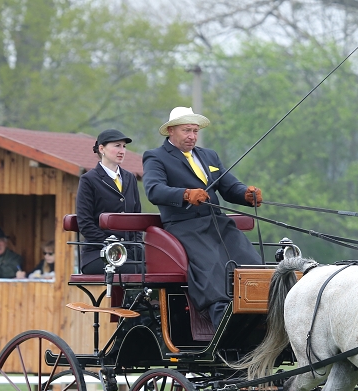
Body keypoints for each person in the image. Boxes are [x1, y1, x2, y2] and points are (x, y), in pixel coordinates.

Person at [142, 106, 263, 328]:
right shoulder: (156, 157)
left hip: (217, 224)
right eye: (187, 130)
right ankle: (222, 321)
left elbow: (229, 186)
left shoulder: (208, 155)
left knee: (250, 261)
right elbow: (154, 190)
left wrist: (245, 193)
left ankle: (259, 313)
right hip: (184, 227)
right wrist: (185, 194)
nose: (192, 136)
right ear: (171, 130)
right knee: (212, 267)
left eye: (195, 131)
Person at [76, 129, 143, 275]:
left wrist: (136, 245)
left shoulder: (130, 178)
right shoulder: (89, 180)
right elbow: (85, 223)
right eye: (117, 146)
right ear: (101, 149)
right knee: (141, 270)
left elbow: (137, 217)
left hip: (130, 252)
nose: (122, 151)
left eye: (124, 146)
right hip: (98, 254)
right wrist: (112, 243)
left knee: (163, 266)